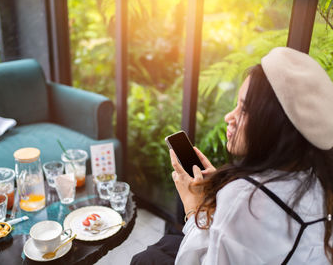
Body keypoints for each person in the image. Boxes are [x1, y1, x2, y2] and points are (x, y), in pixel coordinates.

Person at [131, 47, 333, 265]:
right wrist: (219, 190)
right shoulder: (319, 179)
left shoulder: (243, 200)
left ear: (274, 126)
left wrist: (193, 208)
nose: (229, 116)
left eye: (244, 110)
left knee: (146, 259)